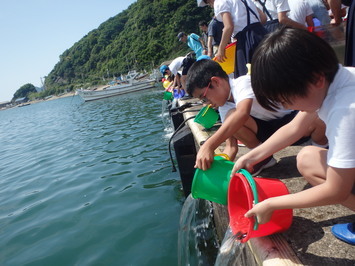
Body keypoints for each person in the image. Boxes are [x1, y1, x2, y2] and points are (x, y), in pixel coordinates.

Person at [232, 27, 355, 245]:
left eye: (287, 100)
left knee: (321, 172)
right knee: (307, 158)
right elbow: (294, 128)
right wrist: (250, 157)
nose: (286, 106)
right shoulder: (335, 78)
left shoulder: (346, 109)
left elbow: (336, 190)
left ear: (316, 79)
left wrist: (272, 204)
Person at [185, 59, 327, 173]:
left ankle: (322, 147)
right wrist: (221, 169)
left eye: (203, 98)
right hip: (270, 132)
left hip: (295, 120)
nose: (206, 104)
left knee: (318, 117)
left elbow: (242, 113)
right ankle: (263, 158)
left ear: (215, 82)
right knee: (230, 119)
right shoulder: (224, 107)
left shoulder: (243, 83)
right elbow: (231, 147)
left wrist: (209, 145)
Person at [197, 0, 268, 78]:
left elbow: (229, 26)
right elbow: (263, 17)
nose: (211, 5)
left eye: (208, 3)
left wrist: (221, 49)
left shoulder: (219, 2)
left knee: (248, 77)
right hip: (263, 34)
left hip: (245, 39)